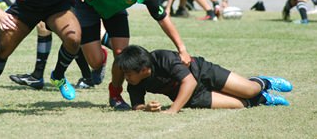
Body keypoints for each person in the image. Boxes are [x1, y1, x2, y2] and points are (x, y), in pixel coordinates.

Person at [80, 0, 191, 110]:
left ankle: (115, 94)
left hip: (115, 12)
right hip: (88, 7)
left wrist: (182, 49)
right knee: (95, 62)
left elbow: (162, 18)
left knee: (121, 54)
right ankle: (100, 55)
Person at [116, 45, 292, 114]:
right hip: (191, 96)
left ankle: (264, 82)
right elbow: (136, 105)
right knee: (241, 104)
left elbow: (190, 81)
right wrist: (145, 107)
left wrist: (173, 110)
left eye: (129, 73)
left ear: (145, 69)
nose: (126, 77)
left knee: (249, 90)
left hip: (203, 72)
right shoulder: (135, 82)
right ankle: (265, 98)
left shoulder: (163, 58)